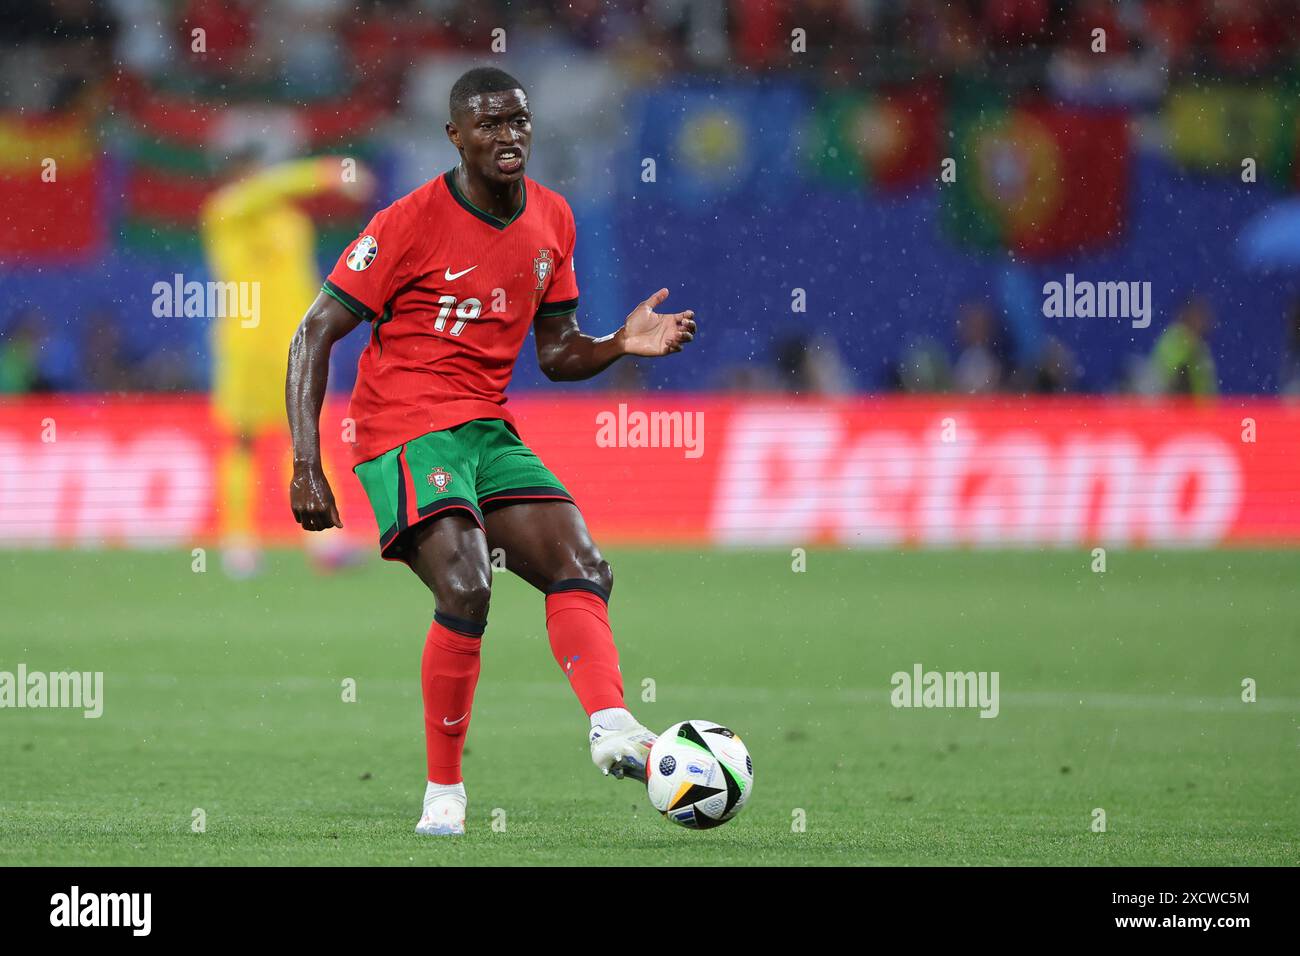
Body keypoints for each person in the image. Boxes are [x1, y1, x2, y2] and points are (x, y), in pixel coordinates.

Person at [284, 67, 697, 836]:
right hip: (402, 428)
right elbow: (313, 331)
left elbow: (559, 351)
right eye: (489, 125)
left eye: (518, 121)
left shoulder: (554, 219)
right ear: (455, 138)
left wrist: (616, 345)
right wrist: (307, 463)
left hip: (486, 427)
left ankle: (612, 726)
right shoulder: (407, 222)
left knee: (583, 564)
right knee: (469, 586)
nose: (508, 136)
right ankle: (445, 793)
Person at [202, 152, 372, 577]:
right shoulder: (226, 209)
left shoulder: (292, 223)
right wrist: (328, 173)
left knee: (303, 440)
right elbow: (265, 189)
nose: (260, 179)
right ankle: (239, 542)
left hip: (293, 347)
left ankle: (323, 541)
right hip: (246, 347)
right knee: (243, 441)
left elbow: (303, 283)